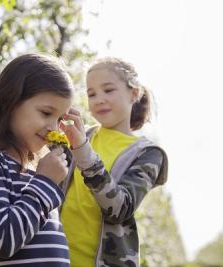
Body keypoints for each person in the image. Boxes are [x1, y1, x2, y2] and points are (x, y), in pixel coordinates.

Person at [0, 53, 74, 266]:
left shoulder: (36, 169)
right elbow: (3, 240)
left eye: (60, 119)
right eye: (46, 113)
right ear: (11, 101)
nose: (54, 128)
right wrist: (44, 183)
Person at [59, 57, 168, 267]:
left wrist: (83, 152)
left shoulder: (148, 154)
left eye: (108, 90)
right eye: (91, 94)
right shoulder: (79, 136)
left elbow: (120, 208)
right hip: (57, 259)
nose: (99, 99)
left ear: (134, 93)